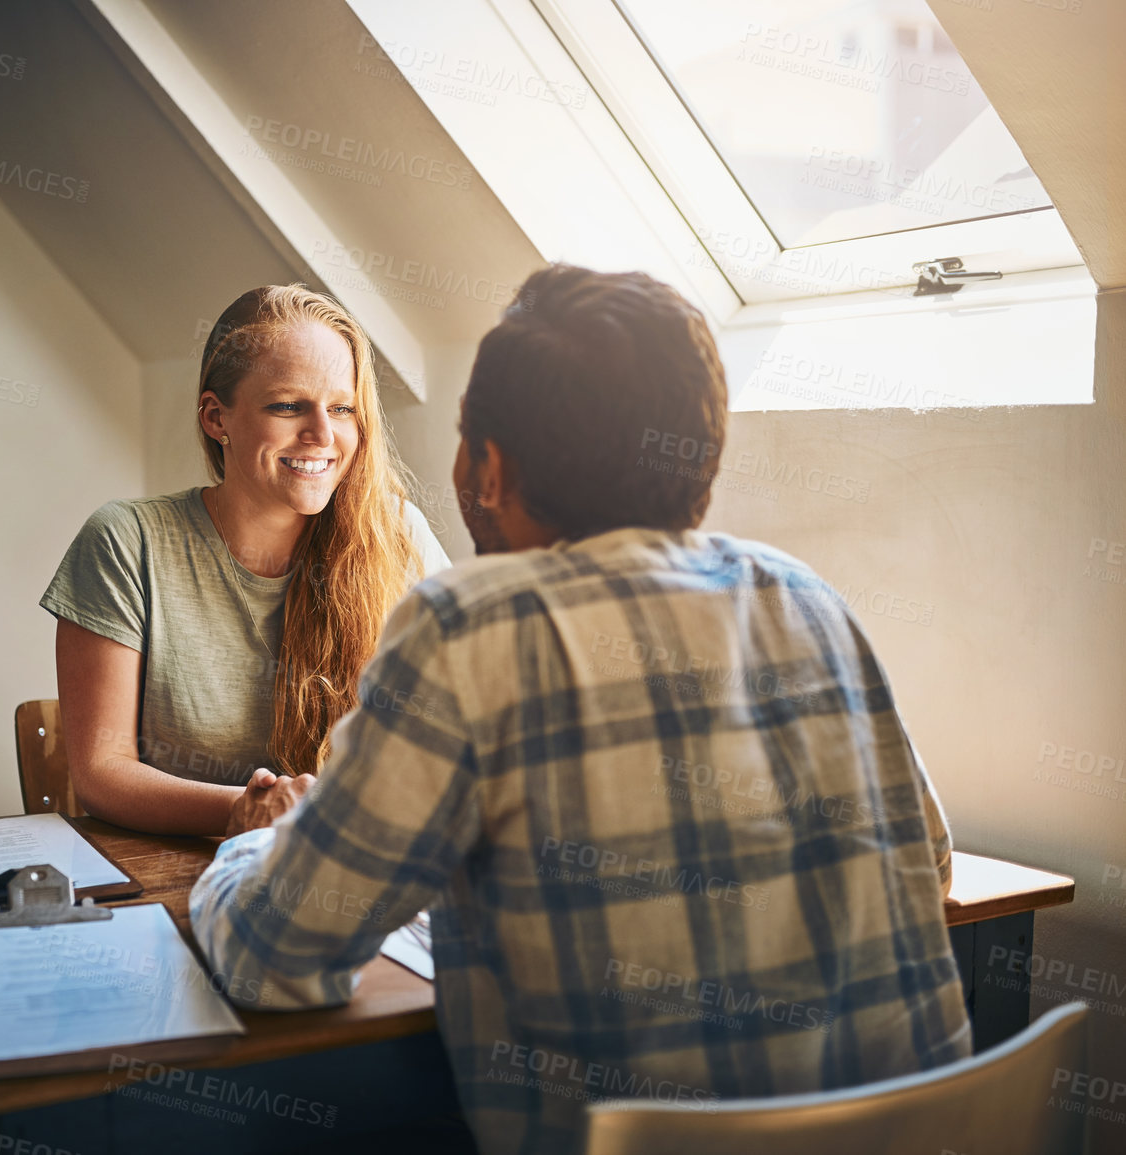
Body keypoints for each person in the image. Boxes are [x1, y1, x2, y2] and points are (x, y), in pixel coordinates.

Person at [189, 264, 970, 1154]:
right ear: (699, 452)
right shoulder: (807, 598)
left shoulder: (469, 627)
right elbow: (930, 865)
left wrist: (254, 839)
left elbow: (274, 959)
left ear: (487, 465)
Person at [40, 284, 449, 837]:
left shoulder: (399, 536)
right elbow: (101, 773)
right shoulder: (126, 542)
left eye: (342, 409)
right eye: (287, 406)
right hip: (177, 871)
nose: (322, 436)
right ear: (216, 418)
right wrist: (248, 808)